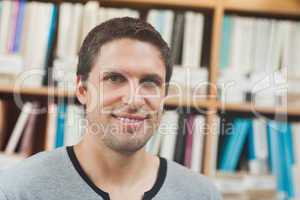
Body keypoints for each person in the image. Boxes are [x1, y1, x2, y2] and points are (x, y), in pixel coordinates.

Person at [0, 17, 221, 200]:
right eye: (115, 78)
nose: (134, 100)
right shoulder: (18, 190)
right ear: (82, 89)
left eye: (150, 82)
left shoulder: (202, 195)